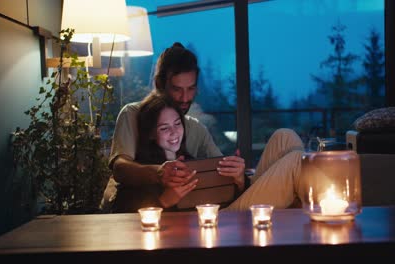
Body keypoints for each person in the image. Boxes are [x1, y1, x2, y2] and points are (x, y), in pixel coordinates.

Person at [100, 42, 305, 212]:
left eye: (191, 89)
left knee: (286, 138)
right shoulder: (133, 114)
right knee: (296, 162)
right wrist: (159, 173)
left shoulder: (194, 127)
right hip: (188, 214)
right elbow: (120, 169)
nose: (185, 98)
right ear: (160, 85)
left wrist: (239, 177)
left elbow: (224, 178)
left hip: (219, 205)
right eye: (177, 89)